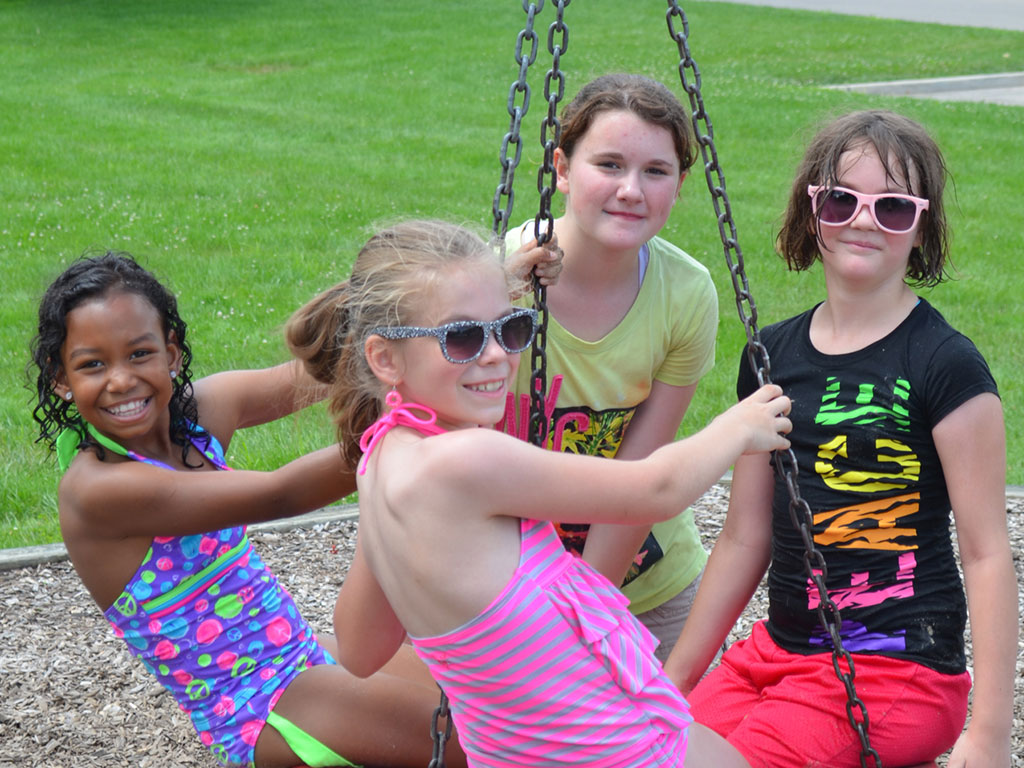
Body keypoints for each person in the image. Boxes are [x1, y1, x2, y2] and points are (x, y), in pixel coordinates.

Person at [288, 219, 793, 767]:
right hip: (617, 753)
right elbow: (655, 489)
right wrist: (740, 426)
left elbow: (360, 649)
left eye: (508, 329)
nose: (496, 356)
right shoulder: (468, 461)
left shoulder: (380, 461)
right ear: (385, 359)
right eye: (461, 338)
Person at [664, 110, 1017, 767]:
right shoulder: (771, 355)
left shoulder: (945, 366)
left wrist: (990, 732)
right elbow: (745, 536)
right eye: (841, 199)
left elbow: (987, 552)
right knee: (648, 744)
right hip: (778, 655)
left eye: (893, 207)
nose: (863, 218)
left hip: (897, 671)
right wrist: (674, 682)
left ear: (922, 228)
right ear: (811, 211)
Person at [29, 251, 469, 768]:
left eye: (139, 353)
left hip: (301, 653)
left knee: (489, 696)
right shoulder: (98, 491)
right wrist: (427, 428)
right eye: (93, 364)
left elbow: (310, 374)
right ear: (61, 378)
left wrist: (410, 304)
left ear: (170, 353)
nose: (121, 380)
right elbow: (281, 494)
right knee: (481, 742)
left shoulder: (194, 418)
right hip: (259, 710)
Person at [496, 73, 718, 661]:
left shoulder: (686, 293)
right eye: (609, 164)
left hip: (644, 585)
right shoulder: (496, 283)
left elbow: (641, 468)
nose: (631, 190)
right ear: (562, 170)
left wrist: (585, 609)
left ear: (679, 185)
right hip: (506, 583)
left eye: (655, 171)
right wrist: (495, 302)